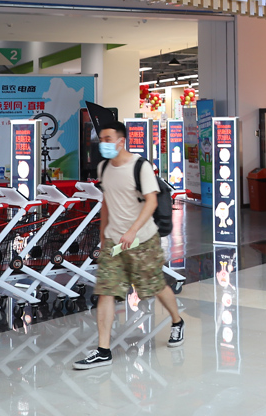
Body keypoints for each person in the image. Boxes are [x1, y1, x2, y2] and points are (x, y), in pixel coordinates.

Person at [74, 120, 184, 369]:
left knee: (155, 286)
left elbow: (151, 202)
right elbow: (106, 201)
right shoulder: (104, 167)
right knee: (106, 291)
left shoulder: (140, 166)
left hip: (142, 239)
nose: (103, 143)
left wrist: (132, 231)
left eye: (108, 139)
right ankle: (103, 350)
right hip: (114, 242)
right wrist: (103, 234)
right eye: (101, 139)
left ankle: (177, 321)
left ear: (121, 141)